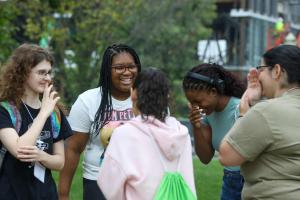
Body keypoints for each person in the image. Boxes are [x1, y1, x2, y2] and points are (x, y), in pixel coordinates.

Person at [97, 68, 196, 199]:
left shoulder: (124, 134)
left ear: (133, 93)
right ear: (166, 97)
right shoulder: (181, 132)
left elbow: (108, 185)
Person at [58, 44, 141, 200]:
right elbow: (73, 149)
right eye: (119, 67)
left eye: (131, 66)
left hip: (140, 182)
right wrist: (63, 195)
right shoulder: (88, 101)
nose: (127, 72)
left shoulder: (150, 100)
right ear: (107, 71)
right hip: (98, 182)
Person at [219, 45, 300, 200]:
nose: (257, 76)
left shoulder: (266, 112)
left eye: (261, 69)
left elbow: (227, 156)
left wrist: (244, 111)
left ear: (277, 71)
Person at [0, 43, 72, 200]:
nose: (48, 78)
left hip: (46, 195)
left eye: (49, 73)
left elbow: (60, 162)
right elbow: (20, 150)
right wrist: (43, 113)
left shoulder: (54, 113)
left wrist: (41, 156)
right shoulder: (5, 110)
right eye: (41, 73)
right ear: (24, 73)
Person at [182, 63, 246, 200]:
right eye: (191, 102)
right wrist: (197, 126)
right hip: (230, 180)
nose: (195, 107)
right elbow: (205, 158)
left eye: (198, 101)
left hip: (249, 180)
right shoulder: (208, 114)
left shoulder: (240, 109)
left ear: (213, 91)